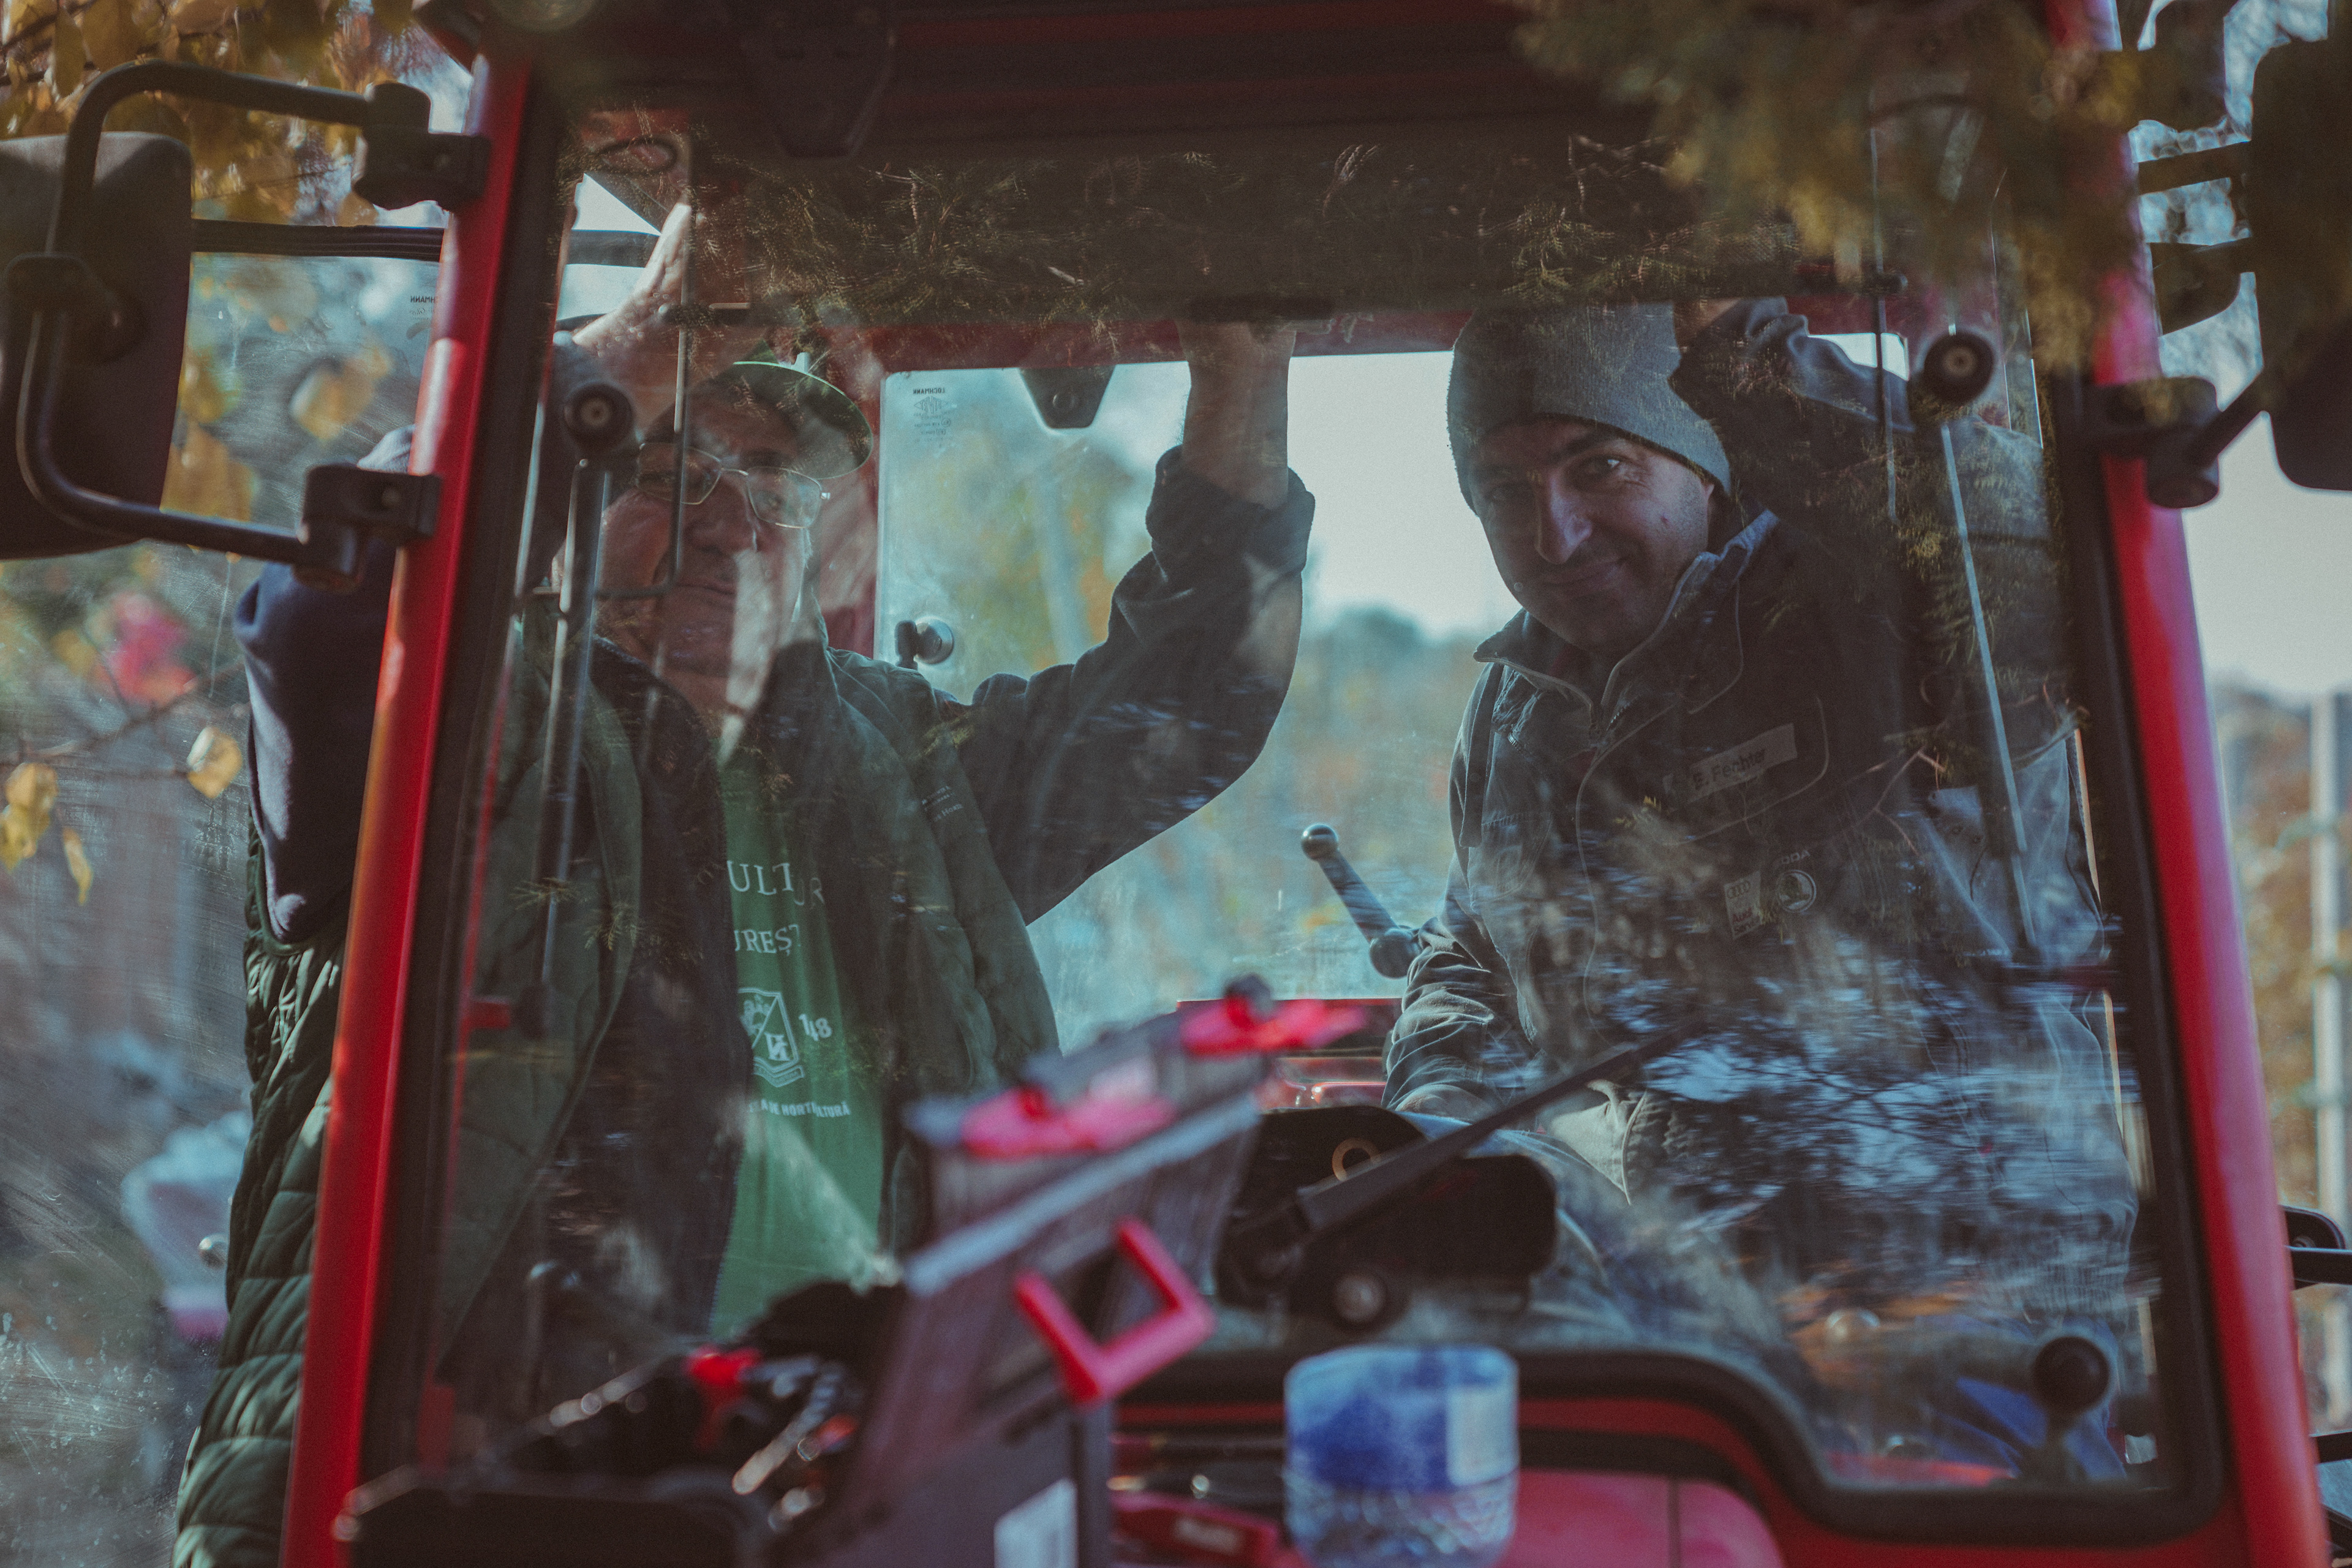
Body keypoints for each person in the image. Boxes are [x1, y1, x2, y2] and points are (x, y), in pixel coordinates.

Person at [173, 195, 1308, 1567]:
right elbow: (340, 616)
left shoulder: (897, 766)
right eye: (665, 471)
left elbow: (1188, 702)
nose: (726, 525)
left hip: (841, 1495)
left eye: (771, 486)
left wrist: (1242, 372)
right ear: (566, 505)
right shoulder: (475, 727)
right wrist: (658, 327)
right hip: (494, 1514)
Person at [1384, 299, 2136, 1472]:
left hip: (1963, 1314)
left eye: (1602, 467)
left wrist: (1744, 354)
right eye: (1503, 492)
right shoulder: (1516, 709)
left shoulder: (1869, 601)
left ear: (1705, 458)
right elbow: (1473, 948)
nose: (1555, 534)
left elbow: (2035, 570)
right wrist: (1450, 1133)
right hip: (1683, 1325)